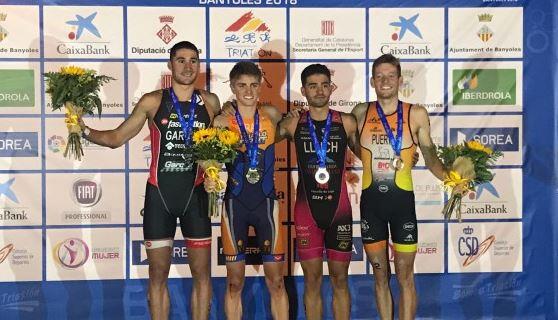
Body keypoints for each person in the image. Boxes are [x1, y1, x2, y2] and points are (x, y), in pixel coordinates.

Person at [79, 41, 220, 320]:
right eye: (181, 60)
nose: (188, 66)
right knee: (157, 275)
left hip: (197, 196)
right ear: (170, 64)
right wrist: (82, 130)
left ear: (199, 66)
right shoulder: (152, 101)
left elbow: (223, 145)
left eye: (193, 60)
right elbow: (116, 138)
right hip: (160, 196)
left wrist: (216, 171)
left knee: (202, 275)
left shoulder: (211, 102)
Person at [351, 53, 448, 320]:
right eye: (379, 76)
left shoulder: (415, 113)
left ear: (400, 80)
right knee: (380, 276)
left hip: (402, 207)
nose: (385, 81)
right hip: (372, 208)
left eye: (390, 76)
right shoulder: (360, 112)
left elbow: (430, 159)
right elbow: (348, 142)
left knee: (405, 275)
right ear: (372, 81)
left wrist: (454, 180)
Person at [278, 64, 359, 320]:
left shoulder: (346, 122)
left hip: (340, 212)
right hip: (306, 213)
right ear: (303, 90)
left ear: (332, 87)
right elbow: (258, 134)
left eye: (324, 84)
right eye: (312, 85)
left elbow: (367, 154)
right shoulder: (292, 123)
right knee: (312, 280)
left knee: (340, 279)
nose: (319, 90)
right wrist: (229, 109)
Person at [209, 61, 289, 319]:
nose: (248, 91)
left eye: (254, 85)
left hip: (267, 205)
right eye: (241, 85)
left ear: (260, 86)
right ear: (232, 86)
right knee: (234, 282)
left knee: (276, 282)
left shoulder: (272, 114)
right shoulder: (222, 121)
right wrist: (209, 173)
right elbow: (208, 158)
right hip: (235, 205)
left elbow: (295, 128)